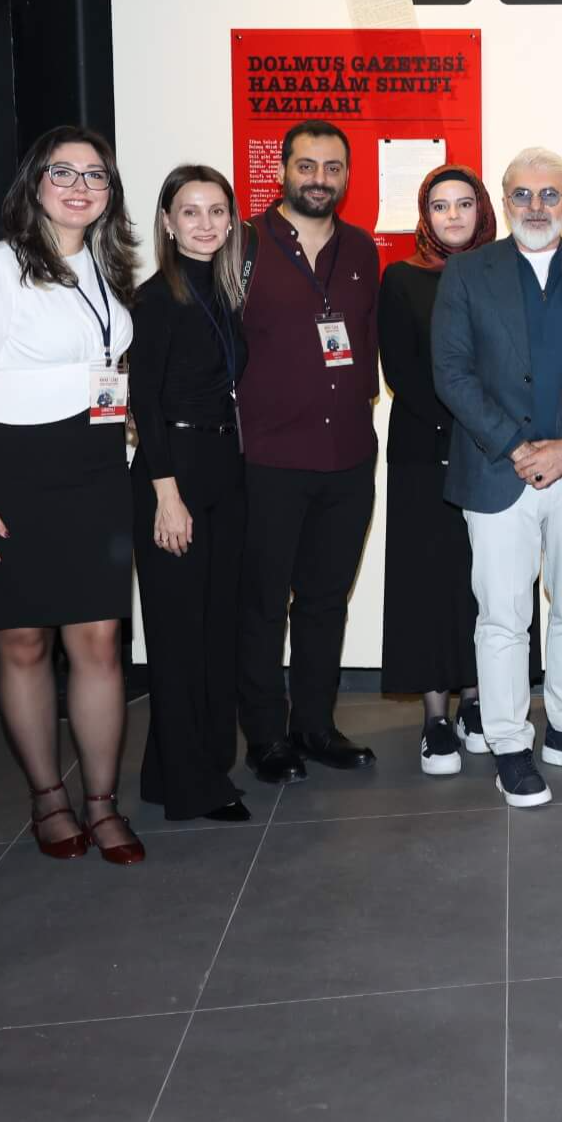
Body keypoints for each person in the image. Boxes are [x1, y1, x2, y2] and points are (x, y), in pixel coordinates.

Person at [0, 126, 144, 863]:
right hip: (11, 472)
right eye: (65, 172)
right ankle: (48, 799)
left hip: (92, 472)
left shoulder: (102, 265)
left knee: (98, 641)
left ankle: (101, 801)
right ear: (34, 183)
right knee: (23, 643)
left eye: (97, 175)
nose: (82, 186)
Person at [434, 148, 562, 806]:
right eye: (522, 195)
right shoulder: (467, 274)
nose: (536, 208)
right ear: (505, 198)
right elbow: (453, 374)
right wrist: (520, 447)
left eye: (550, 195)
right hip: (500, 473)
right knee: (502, 618)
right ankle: (509, 743)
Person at [234, 119, 382, 783]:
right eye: (306, 165)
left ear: (346, 176)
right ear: (282, 171)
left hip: (349, 455)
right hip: (268, 460)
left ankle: (315, 726)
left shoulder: (361, 249)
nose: (319, 178)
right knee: (264, 605)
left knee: (326, 601)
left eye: (331, 167)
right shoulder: (240, 246)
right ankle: (266, 735)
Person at [129, 164, 250, 824]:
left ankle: (167, 769)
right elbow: (144, 402)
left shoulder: (221, 292)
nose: (205, 223)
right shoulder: (157, 299)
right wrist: (165, 496)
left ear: (231, 222)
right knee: (179, 637)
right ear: (168, 224)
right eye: (190, 212)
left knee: (214, 628)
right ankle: (192, 787)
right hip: (171, 473)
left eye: (215, 212)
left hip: (220, 469)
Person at [379, 165, 495, 774]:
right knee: (426, 582)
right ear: (425, 215)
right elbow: (400, 372)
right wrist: (467, 422)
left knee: (483, 581)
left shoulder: (503, 275)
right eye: (441, 205)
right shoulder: (401, 278)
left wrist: (492, 431)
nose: (453, 216)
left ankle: (477, 701)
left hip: (493, 454)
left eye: (464, 204)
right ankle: (435, 717)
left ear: (482, 211)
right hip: (425, 450)